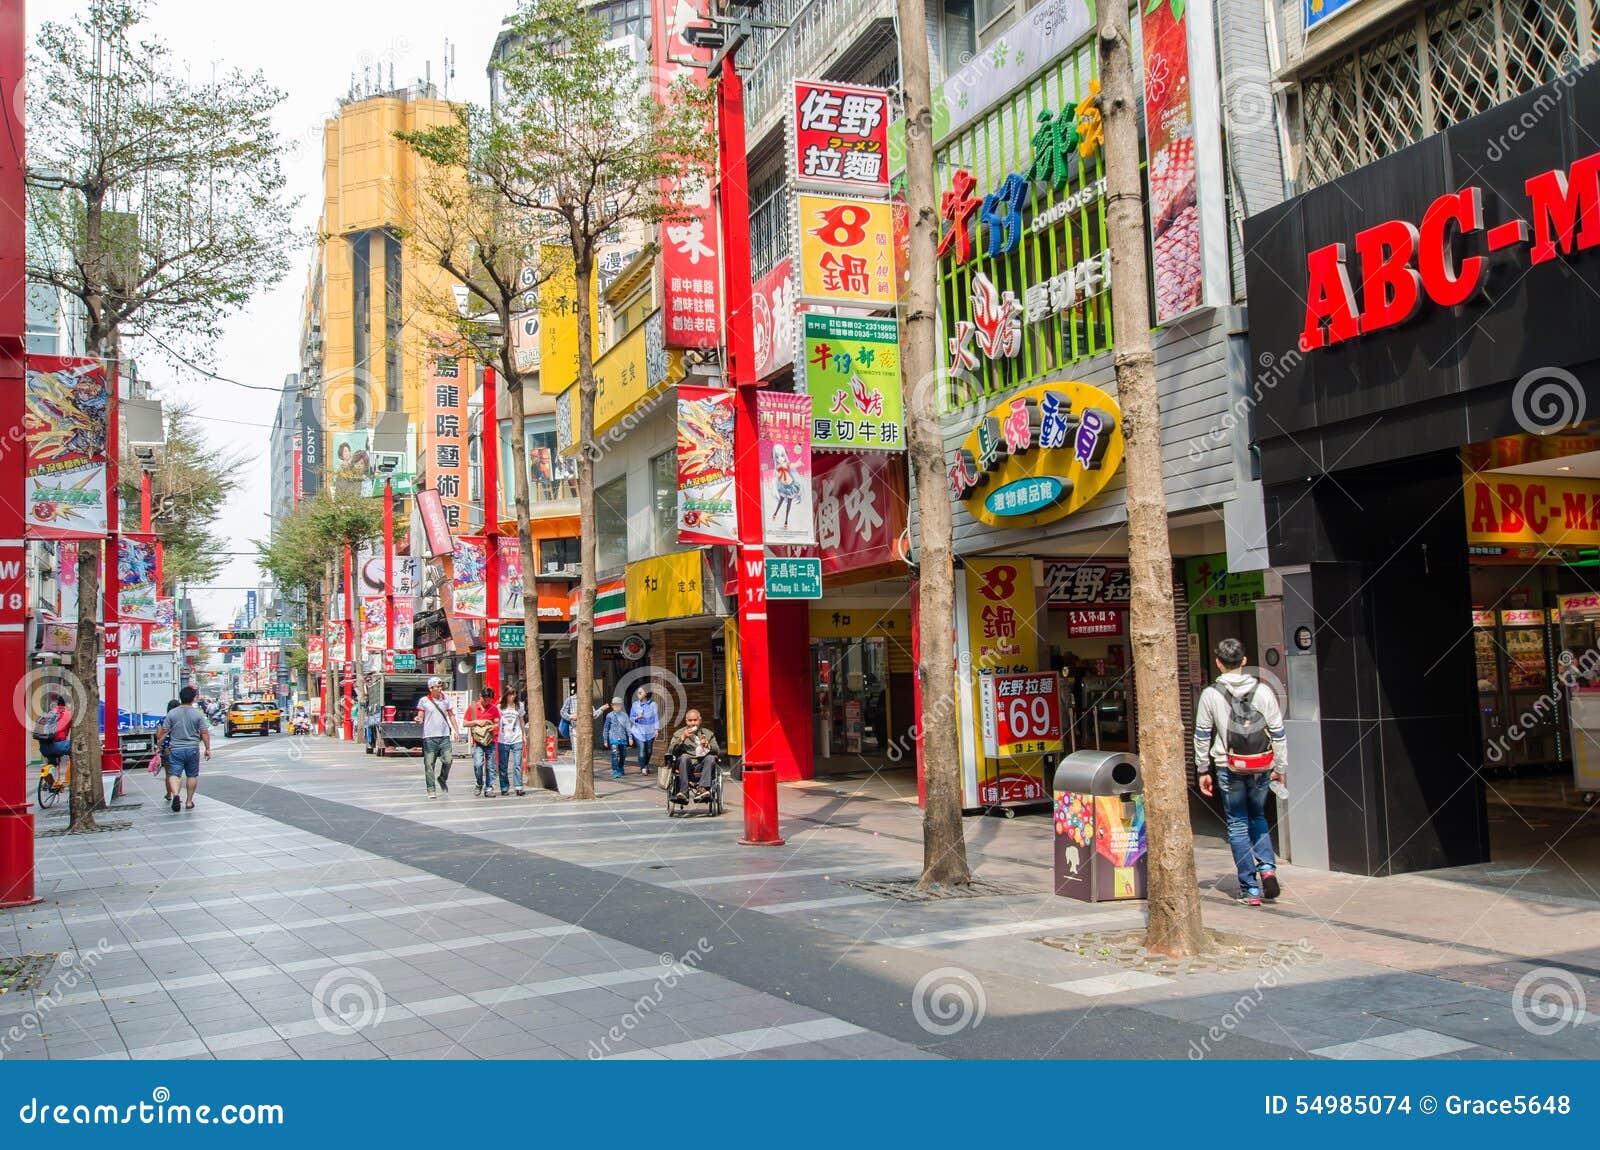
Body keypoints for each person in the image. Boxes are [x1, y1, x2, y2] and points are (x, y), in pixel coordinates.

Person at [1194, 637, 1287, 906]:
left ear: (1218, 662)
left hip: (1228, 766)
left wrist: (1202, 770)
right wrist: (1279, 767)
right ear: (1244, 661)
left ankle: (1251, 889)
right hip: (1261, 766)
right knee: (1257, 815)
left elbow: (1202, 735)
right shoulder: (1264, 691)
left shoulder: (1211, 694)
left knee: (1237, 823)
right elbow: (1278, 733)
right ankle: (1267, 867)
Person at [159, 686, 212, 813]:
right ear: (193, 699)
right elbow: (204, 733)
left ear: (180, 697)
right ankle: (188, 802)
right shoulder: (197, 714)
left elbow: (164, 732)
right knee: (192, 775)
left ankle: (176, 795)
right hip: (192, 749)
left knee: (174, 774)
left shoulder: (172, 713)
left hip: (176, 749)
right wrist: (207, 749)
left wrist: (159, 745)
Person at [414, 677, 461, 797]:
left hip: (444, 735)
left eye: (441, 687)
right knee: (429, 764)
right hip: (429, 737)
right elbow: (420, 716)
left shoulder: (446, 700)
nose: (440, 689)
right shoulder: (424, 701)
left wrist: (456, 731)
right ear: (430, 688)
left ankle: (442, 778)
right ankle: (431, 789)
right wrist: (418, 719)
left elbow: (451, 715)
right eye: (437, 687)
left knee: (448, 760)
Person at [667, 709, 721, 802]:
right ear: (686, 721)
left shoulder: (708, 734)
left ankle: (702, 789)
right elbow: (671, 750)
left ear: (700, 721)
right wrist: (682, 738)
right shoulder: (679, 734)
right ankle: (683, 792)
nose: (693, 723)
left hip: (701, 765)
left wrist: (708, 746)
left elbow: (717, 750)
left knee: (711, 758)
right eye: (690, 720)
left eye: (695, 720)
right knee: (684, 757)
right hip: (685, 766)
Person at [465, 688, 500, 797]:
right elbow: (465, 723)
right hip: (478, 742)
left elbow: (498, 723)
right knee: (478, 764)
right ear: (480, 697)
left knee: (491, 766)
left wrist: (493, 726)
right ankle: (479, 783)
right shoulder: (473, 708)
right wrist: (476, 722)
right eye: (485, 699)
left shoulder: (494, 709)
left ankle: (489, 788)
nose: (487, 701)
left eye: (489, 699)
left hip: (490, 741)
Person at [498, 686, 528, 796]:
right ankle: (504, 787)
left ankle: (519, 787)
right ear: (506, 695)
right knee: (503, 765)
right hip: (503, 739)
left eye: (514, 694)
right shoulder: (500, 707)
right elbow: (497, 722)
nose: (513, 696)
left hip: (517, 738)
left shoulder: (519, 706)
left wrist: (524, 735)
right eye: (511, 694)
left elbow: (521, 721)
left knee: (517, 764)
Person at [32, 694, 72, 768]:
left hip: (43, 748)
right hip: (56, 746)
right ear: (66, 704)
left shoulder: (50, 712)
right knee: (73, 745)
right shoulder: (68, 714)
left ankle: (47, 774)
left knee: (51, 768)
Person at [629, 687, 660, 775]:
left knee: (649, 751)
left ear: (646, 694)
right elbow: (631, 718)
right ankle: (643, 768)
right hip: (638, 732)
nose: (637, 694)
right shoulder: (635, 705)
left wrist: (656, 730)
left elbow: (656, 718)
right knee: (642, 750)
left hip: (650, 732)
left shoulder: (653, 704)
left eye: (640, 692)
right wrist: (637, 718)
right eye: (637, 692)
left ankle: (646, 765)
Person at [603, 698, 631, 779]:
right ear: (612, 706)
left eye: (619, 705)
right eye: (615, 705)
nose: (617, 707)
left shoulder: (624, 715)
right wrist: (605, 740)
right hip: (613, 738)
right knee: (614, 754)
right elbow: (606, 728)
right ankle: (615, 770)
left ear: (621, 706)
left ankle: (621, 767)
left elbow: (628, 727)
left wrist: (630, 737)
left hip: (623, 738)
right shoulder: (609, 716)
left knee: (623, 755)